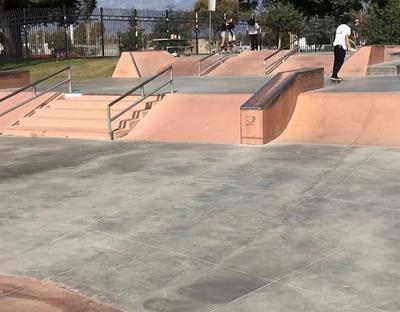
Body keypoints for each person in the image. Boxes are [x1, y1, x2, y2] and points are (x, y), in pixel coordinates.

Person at [331, 15, 355, 82]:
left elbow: (339, 36)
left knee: (336, 61)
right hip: (341, 47)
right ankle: (334, 75)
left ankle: (334, 75)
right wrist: (349, 47)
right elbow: (346, 37)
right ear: (348, 21)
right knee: (340, 61)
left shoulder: (339, 27)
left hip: (336, 46)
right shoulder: (347, 28)